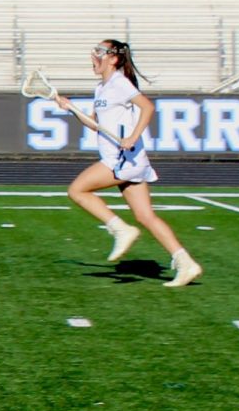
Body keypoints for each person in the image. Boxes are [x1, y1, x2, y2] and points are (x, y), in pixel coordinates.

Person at [56, 39, 203, 288]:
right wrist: (70, 108)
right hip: (127, 159)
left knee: (77, 190)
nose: (94, 56)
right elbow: (94, 124)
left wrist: (133, 137)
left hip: (121, 159)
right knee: (146, 216)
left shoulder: (119, 83)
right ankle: (186, 262)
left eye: (100, 52)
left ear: (113, 58)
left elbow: (147, 107)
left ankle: (120, 229)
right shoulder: (101, 88)